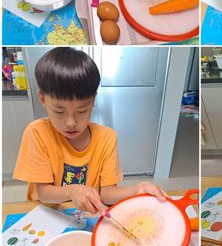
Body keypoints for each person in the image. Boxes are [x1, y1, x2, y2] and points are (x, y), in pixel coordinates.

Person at [13, 47, 168, 214]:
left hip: (86, 216)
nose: (71, 123)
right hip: (49, 214)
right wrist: (71, 191)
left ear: (93, 101)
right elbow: (43, 193)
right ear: (42, 99)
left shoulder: (106, 137)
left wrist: (137, 189)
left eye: (82, 111)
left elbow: (107, 194)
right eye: (59, 111)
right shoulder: (37, 132)